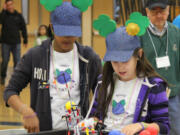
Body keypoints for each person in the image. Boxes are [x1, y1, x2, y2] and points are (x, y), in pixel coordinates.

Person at [3, 1, 102, 133]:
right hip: (45, 131)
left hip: (79, 131)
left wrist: (96, 116)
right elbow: (10, 91)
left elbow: (104, 92)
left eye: (72, 32)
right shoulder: (35, 56)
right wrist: (25, 111)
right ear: (52, 27)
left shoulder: (89, 57)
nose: (67, 37)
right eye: (62, 32)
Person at [89, 14, 169, 135]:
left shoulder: (154, 86)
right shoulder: (103, 82)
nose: (120, 67)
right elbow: (94, 115)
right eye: (115, 61)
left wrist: (141, 125)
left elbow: (164, 126)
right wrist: (92, 122)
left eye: (125, 61)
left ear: (139, 55)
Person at [140, 0, 180, 134]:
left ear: (168, 10)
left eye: (162, 11)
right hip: (147, 96)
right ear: (147, 12)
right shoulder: (140, 34)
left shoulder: (176, 32)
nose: (158, 15)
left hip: (173, 95)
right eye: (154, 11)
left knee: (175, 130)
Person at [0, 0, 28, 85]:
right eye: (8, 5)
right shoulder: (4, 15)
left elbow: (23, 27)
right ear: (6, 6)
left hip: (16, 43)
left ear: (13, 5)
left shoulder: (18, 15)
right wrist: (3, 10)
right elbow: (0, 21)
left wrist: (25, 39)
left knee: (17, 61)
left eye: (11, 4)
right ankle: (2, 76)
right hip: (5, 43)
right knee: (5, 61)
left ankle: (16, 79)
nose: (10, 6)